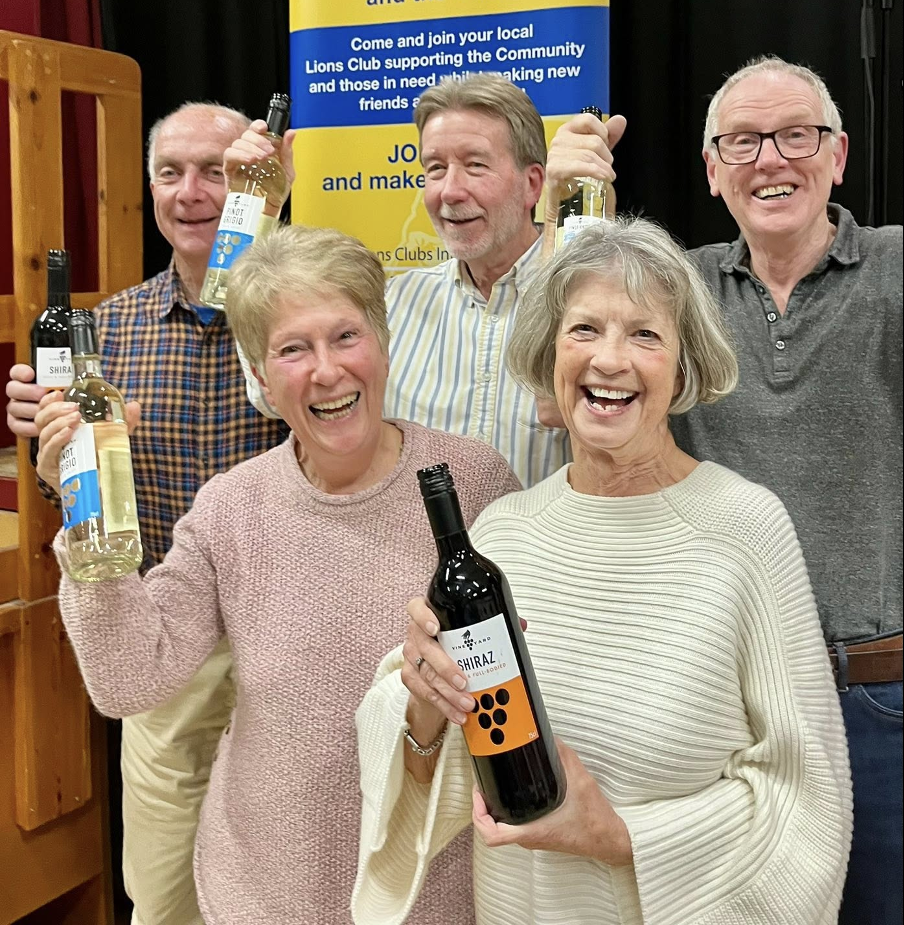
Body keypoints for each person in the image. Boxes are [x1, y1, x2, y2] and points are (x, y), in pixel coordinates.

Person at [352, 219, 852, 925]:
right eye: (584, 329)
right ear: (550, 354)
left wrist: (623, 839)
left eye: (644, 335)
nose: (608, 360)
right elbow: (424, 761)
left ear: (684, 368)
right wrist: (427, 701)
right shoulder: (506, 532)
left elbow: (807, 798)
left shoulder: (745, 529)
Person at [35, 225, 518, 925]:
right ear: (260, 376)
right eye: (293, 349)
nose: (326, 371)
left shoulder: (472, 481)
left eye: (346, 336)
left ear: (383, 345)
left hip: (435, 891)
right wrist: (82, 510)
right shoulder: (230, 508)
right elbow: (129, 680)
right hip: (266, 891)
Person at [545, 56, 902, 924]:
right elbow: (563, 362)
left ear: (840, 154)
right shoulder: (673, 287)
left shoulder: (897, 268)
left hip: (878, 701)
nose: (770, 160)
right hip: (721, 702)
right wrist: (567, 208)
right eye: (741, 141)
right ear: (711, 170)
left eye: (796, 136)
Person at [5, 102, 287, 925]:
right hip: (168, 640)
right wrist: (53, 456)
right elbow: (72, 491)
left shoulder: (300, 321)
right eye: (172, 173)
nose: (193, 192)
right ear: (150, 187)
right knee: (163, 892)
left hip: (290, 631)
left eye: (218, 171)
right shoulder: (107, 329)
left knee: (296, 881)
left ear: (254, 186)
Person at [234, 72, 626, 487]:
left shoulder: (592, 302)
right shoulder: (390, 304)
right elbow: (273, 395)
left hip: (547, 551)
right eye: (435, 168)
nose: (450, 191)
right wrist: (253, 202)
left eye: (475, 165)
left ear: (533, 185)